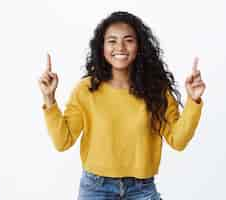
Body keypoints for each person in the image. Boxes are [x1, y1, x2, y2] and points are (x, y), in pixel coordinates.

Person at [38, 11, 206, 200]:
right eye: (112, 41)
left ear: (139, 46)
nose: (120, 47)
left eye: (128, 40)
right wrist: (49, 99)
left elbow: (178, 141)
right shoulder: (85, 90)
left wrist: (194, 101)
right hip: (96, 189)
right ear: (102, 47)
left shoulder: (156, 90)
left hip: (142, 189)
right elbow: (63, 141)